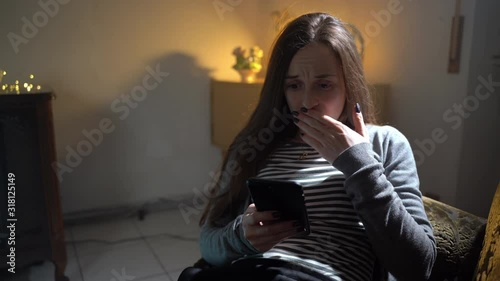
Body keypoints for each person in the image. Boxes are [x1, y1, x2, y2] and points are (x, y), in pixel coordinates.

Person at [182, 12, 436, 281]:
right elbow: (208, 244)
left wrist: (360, 165)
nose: (306, 102)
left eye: (324, 84)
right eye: (294, 85)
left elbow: (419, 267)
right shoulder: (254, 146)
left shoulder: (384, 142)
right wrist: (241, 236)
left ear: (349, 86)